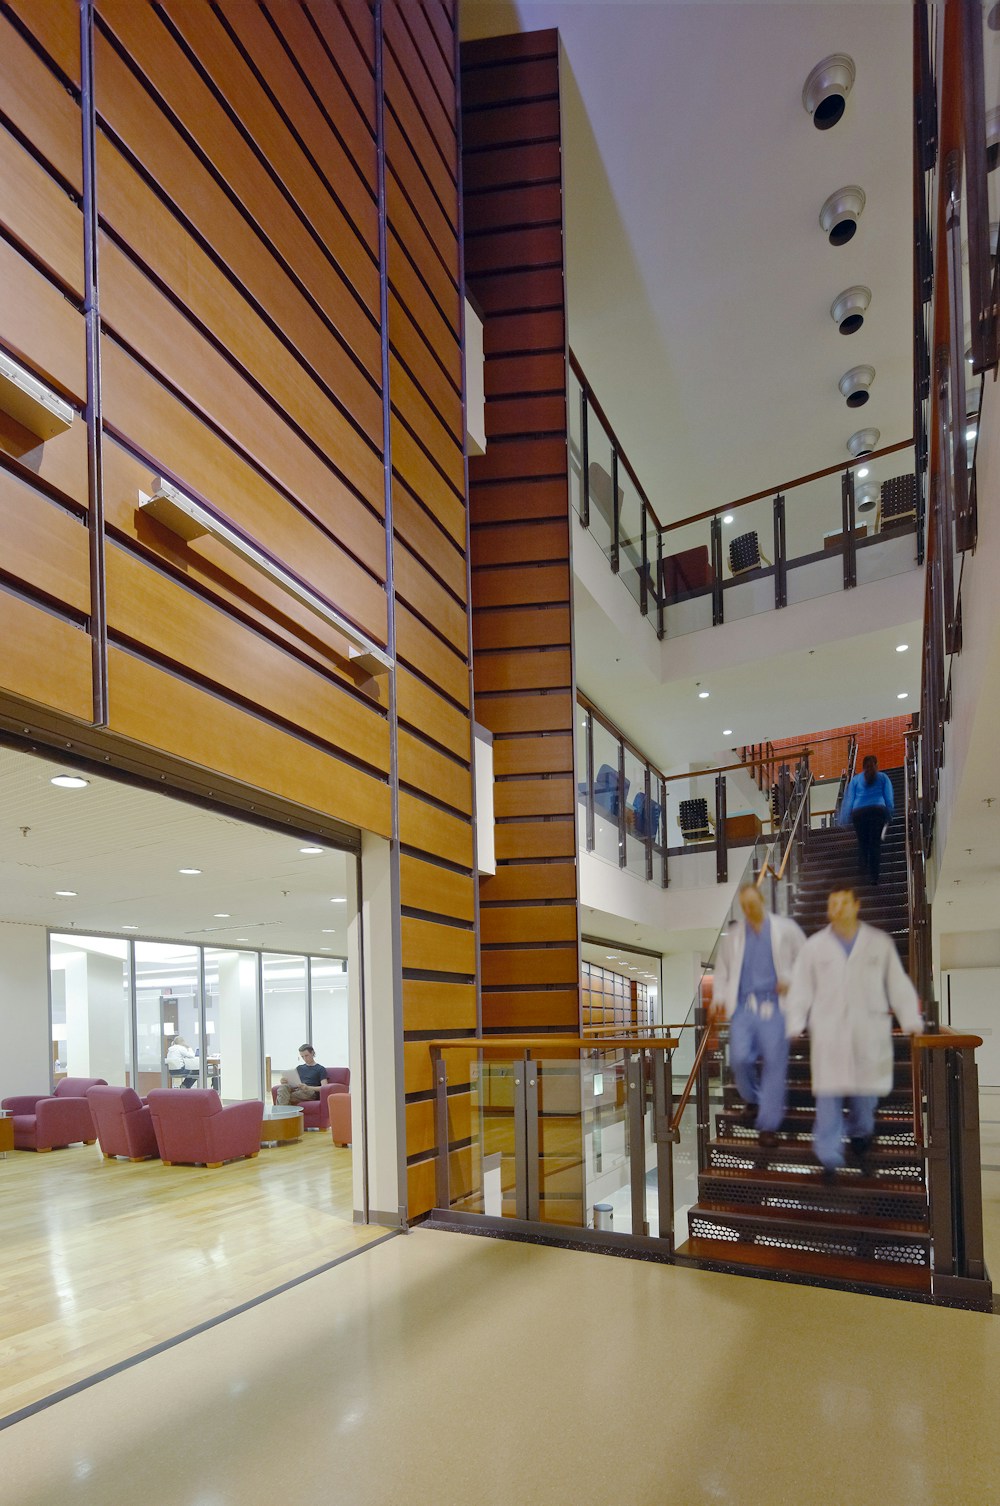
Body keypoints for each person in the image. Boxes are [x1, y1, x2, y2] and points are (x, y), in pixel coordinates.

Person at [785, 886, 921, 1180]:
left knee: (864, 1096)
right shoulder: (814, 947)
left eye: (844, 902)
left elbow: (896, 983)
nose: (838, 908)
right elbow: (801, 988)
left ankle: (861, 1132)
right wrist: (795, 1021)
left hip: (867, 1032)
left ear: (856, 905)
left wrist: (910, 1019)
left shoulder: (879, 942)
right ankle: (829, 1156)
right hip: (829, 1033)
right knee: (828, 1097)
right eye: (833, 903)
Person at [711, 883, 806, 1148]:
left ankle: (768, 1125)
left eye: (752, 904)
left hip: (774, 1007)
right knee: (740, 1060)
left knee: (775, 1065)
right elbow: (722, 972)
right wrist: (718, 999)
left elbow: (806, 959)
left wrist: (791, 979)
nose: (749, 909)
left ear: (762, 900)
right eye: (744, 906)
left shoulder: (786, 928)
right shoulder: (735, 936)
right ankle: (753, 1099)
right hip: (744, 1008)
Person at [839, 753, 894, 885]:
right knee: (874, 844)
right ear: (877, 765)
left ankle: (862, 869)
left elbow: (849, 800)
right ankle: (874, 877)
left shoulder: (856, 780)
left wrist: (844, 818)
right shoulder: (883, 778)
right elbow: (889, 798)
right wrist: (889, 814)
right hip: (877, 811)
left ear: (862, 767)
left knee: (863, 843)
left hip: (859, 813)